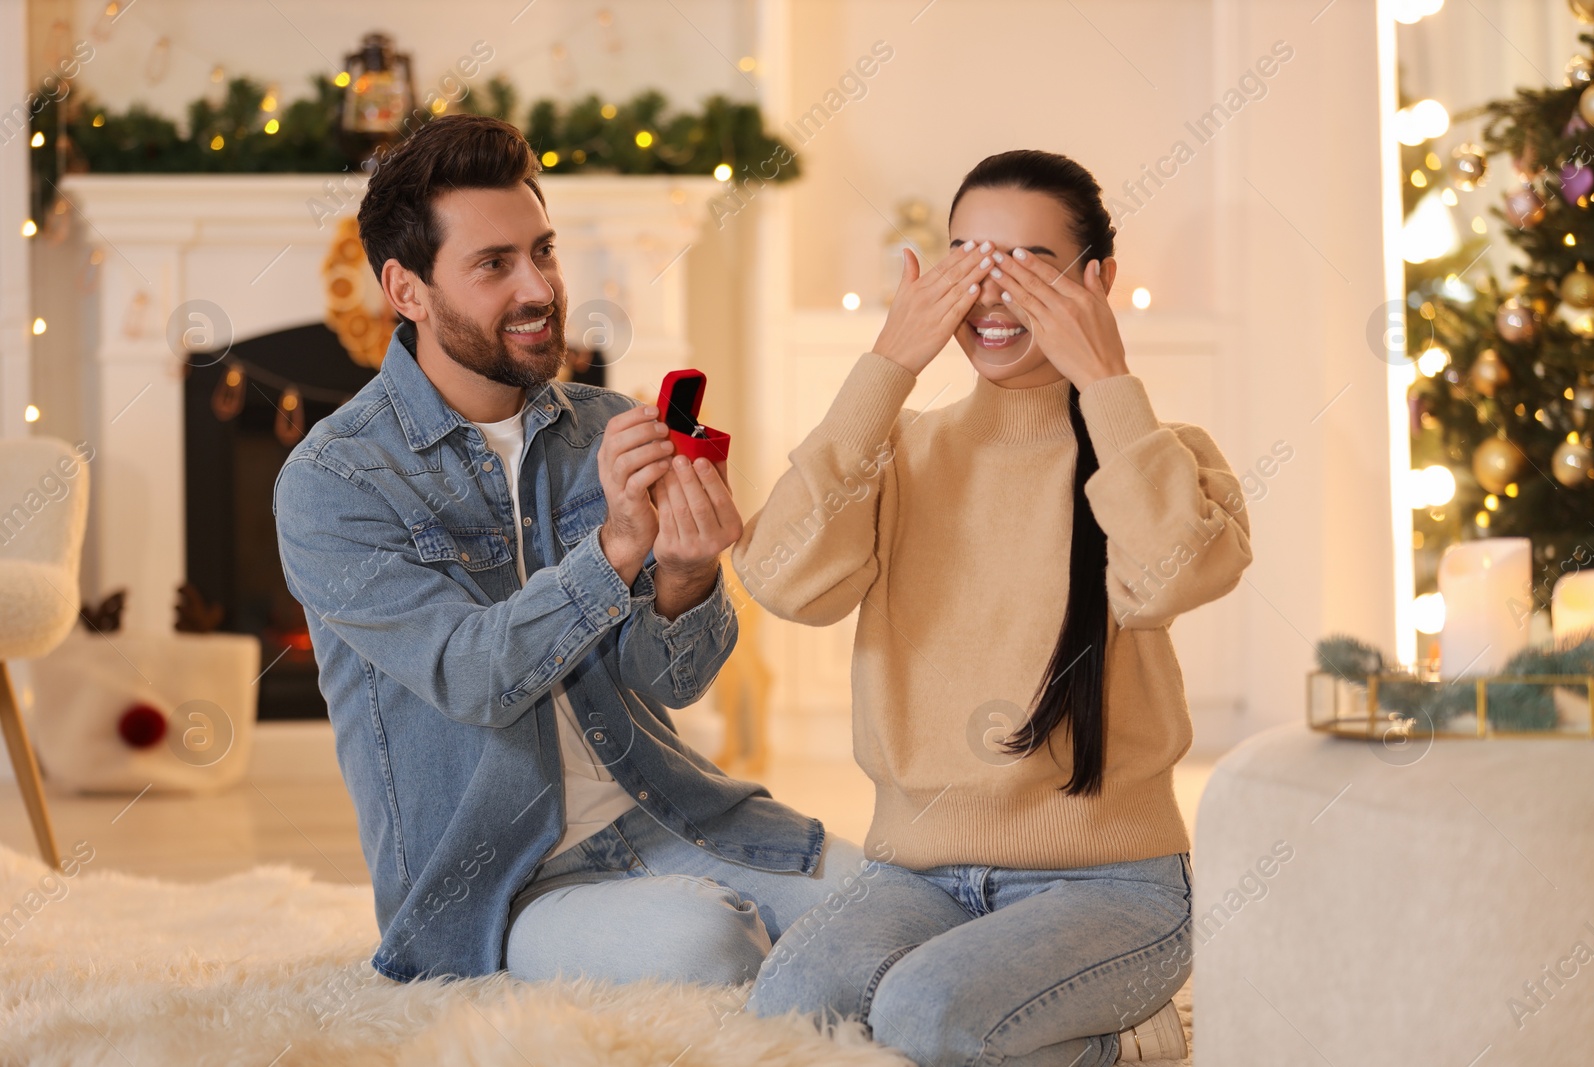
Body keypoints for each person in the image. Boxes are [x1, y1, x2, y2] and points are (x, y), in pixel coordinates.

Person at [274, 114, 864, 985]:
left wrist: (690, 577)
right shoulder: (336, 480)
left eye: (542, 252)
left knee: (889, 914)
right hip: (508, 885)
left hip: (673, 812)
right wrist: (617, 548)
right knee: (708, 947)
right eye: (493, 264)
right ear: (407, 290)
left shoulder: (602, 425)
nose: (539, 288)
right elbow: (471, 676)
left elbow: (671, 683)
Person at [734, 149, 1254, 1066]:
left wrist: (1107, 382)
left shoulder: (1164, 452)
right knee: (792, 1008)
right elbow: (779, 576)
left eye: (1028, 264)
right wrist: (888, 363)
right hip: (919, 873)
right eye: (967, 258)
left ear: (1098, 281)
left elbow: (1173, 574)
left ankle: (1115, 1032)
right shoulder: (901, 450)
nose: (992, 291)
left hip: (1113, 888)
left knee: (927, 1016)